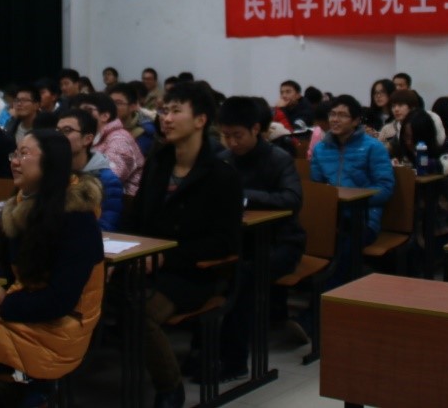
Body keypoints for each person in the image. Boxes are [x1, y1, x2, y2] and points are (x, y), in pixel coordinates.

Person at [125, 82, 242, 408]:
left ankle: (170, 388)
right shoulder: (158, 162)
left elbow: (224, 242)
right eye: (164, 110)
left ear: (201, 120)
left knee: (138, 312)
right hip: (144, 263)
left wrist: (165, 258)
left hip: (192, 274)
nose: (166, 118)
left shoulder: (221, 175)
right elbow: (136, 220)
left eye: (176, 111)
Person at [0, 130, 105, 405]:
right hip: (23, 309)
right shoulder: (18, 206)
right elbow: (5, 271)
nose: (15, 161)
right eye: (14, 154)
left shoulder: (77, 220)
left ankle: (34, 389)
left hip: (60, 327)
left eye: (24, 154)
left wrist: (3, 305)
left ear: (52, 162)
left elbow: (60, 301)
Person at [216, 97, 305, 381]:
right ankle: (203, 351)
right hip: (240, 241)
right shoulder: (224, 159)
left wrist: (245, 197)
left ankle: (234, 360)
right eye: (226, 135)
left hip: (281, 243)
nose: (232, 142)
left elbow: (292, 199)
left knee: (243, 277)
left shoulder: (278, 158)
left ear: (256, 129)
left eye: (237, 135)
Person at [310, 94, 395, 288]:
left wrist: (354, 200)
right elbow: (317, 187)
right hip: (332, 217)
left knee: (344, 247)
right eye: (332, 114)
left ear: (356, 121)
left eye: (342, 115)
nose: (335, 119)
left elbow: (385, 188)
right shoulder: (321, 149)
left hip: (364, 218)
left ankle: (326, 298)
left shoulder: (373, 147)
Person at [56, 109, 122, 231]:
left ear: (87, 139)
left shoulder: (107, 180)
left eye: (67, 130)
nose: (58, 136)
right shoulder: (52, 172)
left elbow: (106, 227)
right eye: (57, 131)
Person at [81, 92, 144, 196]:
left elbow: (110, 177)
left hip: (124, 201)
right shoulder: (94, 136)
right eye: (79, 111)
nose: (81, 116)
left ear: (105, 116)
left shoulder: (119, 139)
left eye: (88, 111)